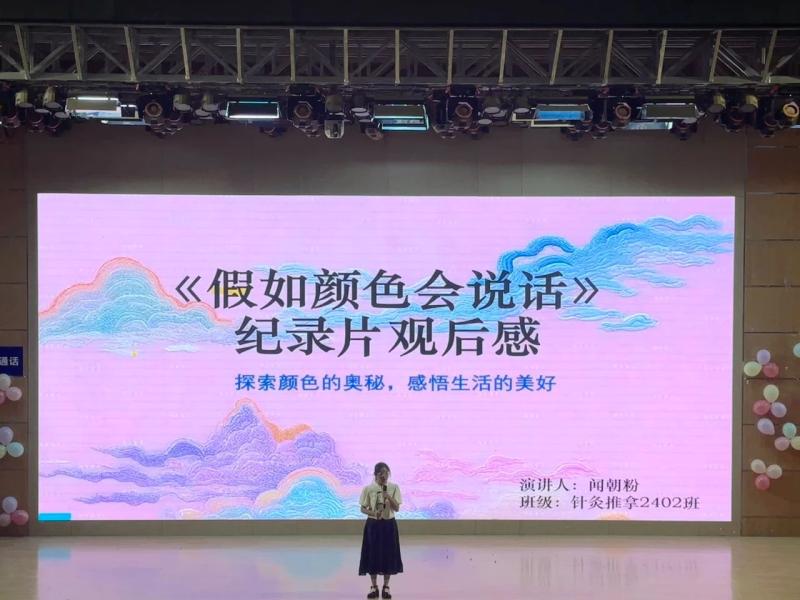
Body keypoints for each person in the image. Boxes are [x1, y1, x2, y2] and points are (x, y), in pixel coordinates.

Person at [359, 462, 403, 599]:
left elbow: (397, 508)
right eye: (381, 473)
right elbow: (362, 508)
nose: (384, 476)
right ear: (375, 474)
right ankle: (374, 586)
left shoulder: (394, 487)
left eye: (386, 473)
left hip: (389, 524)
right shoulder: (368, 489)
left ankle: (386, 586)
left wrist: (387, 496)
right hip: (373, 525)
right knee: (372, 554)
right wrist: (373, 513)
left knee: (388, 554)